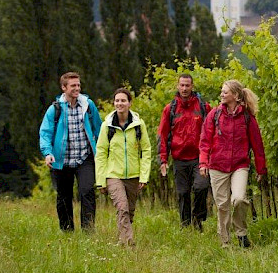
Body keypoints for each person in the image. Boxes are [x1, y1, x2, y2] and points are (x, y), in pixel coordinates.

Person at [199, 80, 267, 248]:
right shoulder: (214, 115)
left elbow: (257, 144)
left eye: (225, 92)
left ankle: (241, 233)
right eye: (222, 92)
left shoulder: (247, 118)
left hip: (239, 165)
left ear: (236, 96)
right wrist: (203, 163)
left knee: (238, 199)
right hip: (217, 165)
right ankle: (225, 241)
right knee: (222, 205)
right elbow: (205, 141)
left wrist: (260, 168)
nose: (221, 95)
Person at [39, 71, 102, 232]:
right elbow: (45, 133)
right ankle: (67, 232)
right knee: (64, 196)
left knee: (87, 191)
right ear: (63, 88)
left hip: (84, 158)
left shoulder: (88, 106)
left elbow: (99, 128)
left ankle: (88, 231)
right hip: (61, 160)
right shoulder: (55, 109)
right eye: (73, 85)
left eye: (78, 85)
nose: (77, 88)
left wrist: (101, 152)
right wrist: (48, 153)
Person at [95, 88, 152, 246]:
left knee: (130, 212)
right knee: (122, 207)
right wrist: (101, 180)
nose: (120, 103)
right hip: (113, 174)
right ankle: (129, 242)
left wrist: (144, 176)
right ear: (114, 103)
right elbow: (100, 153)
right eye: (117, 101)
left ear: (129, 103)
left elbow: (146, 150)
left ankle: (122, 240)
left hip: (134, 175)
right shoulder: (107, 126)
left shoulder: (139, 125)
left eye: (123, 101)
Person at [158, 74, 212, 231]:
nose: (184, 88)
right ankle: (185, 225)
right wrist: (163, 159)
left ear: (192, 86)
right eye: (182, 85)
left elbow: (210, 132)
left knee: (201, 187)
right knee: (183, 193)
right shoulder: (170, 109)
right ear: (177, 86)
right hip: (179, 158)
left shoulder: (203, 107)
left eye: (187, 85)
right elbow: (162, 135)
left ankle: (198, 218)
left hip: (199, 158)